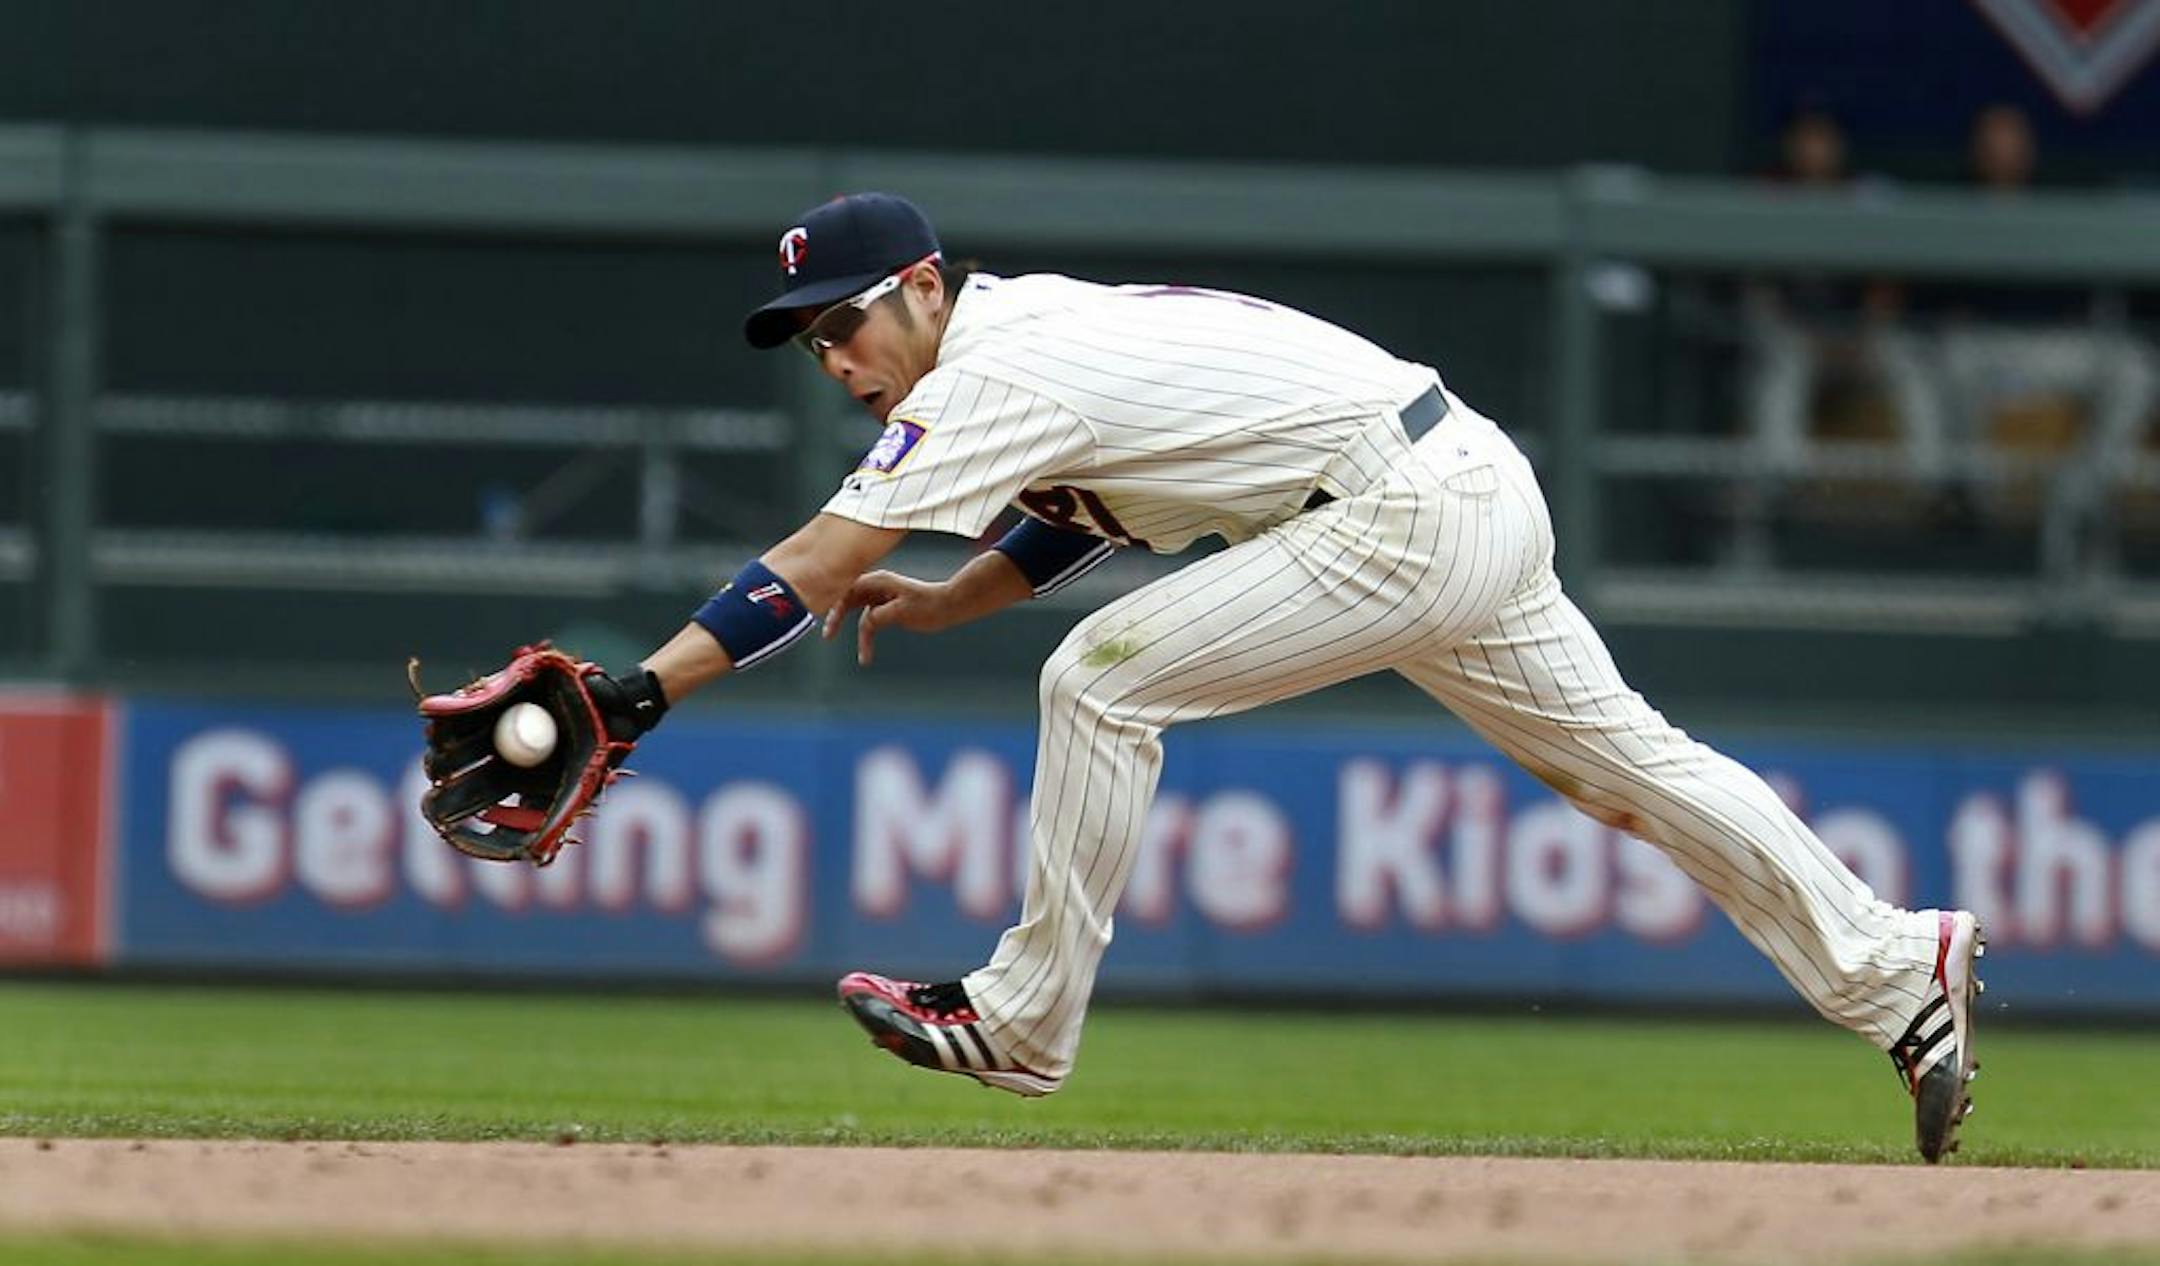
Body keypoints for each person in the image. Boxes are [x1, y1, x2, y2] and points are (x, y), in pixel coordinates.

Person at [628, 192, 1985, 1163]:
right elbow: (1082, 507)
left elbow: (815, 557)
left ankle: (1025, 1017)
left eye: (847, 320)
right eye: (816, 342)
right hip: (1456, 478)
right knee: (1636, 771)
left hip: (1398, 505)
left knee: (1098, 678)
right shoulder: (1028, 336)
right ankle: (1894, 961)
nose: (838, 356)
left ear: (924, 287)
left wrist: (640, 692)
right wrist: (954, 595)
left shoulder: (995, 362)